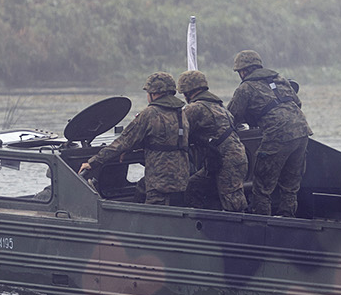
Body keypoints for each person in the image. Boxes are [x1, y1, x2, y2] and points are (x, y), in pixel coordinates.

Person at [80, 72, 190, 205]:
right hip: (182, 179)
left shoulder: (150, 114)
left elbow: (123, 142)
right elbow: (163, 139)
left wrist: (92, 162)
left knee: (154, 219)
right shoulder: (181, 113)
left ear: (153, 93)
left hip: (159, 182)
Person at [226, 50, 311, 217]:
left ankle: (261, 224)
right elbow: (297, 103)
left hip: (277, 136)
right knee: (290, 185)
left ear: (243, 71)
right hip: (302, 131)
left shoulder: (245, 88)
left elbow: (231, 116)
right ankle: (288, 220)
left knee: (262, 186)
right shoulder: (281, 79)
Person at [178, 69, 247, 212]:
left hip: (226, 160)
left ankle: (242, 231)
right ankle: (204, 223)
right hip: (228, 158)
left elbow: (175, 127)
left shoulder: (195, 108)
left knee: (233, 203)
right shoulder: (219, 107)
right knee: (194, 185)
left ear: (187, 93)